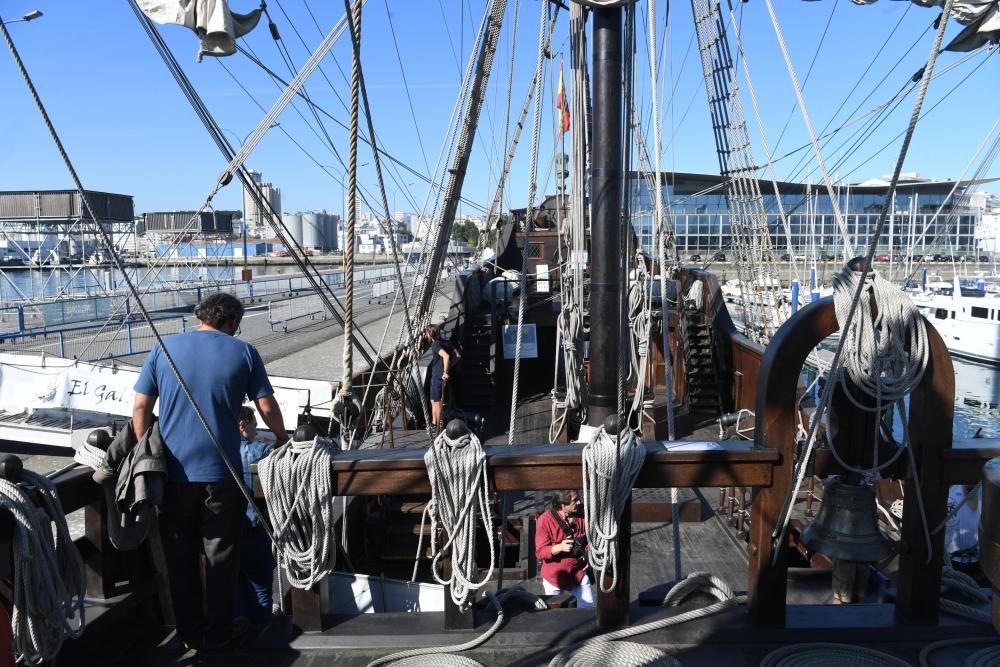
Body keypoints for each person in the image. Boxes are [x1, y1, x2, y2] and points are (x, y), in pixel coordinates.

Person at [133, 292, 287, 652]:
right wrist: (281, 438)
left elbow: (140, 408)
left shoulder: (163, 349)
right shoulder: (244, 353)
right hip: (223, 476)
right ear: (232, 321)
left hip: (173, 475)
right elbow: (267, 406)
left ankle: (190, 634)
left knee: (180, 558)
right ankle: (218, 633)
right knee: (221, 558)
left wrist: (146, 452)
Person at [236, 406, 275, 626]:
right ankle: (263, 634)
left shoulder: (218, 450)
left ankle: (243, 636)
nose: (256, 427)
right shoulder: (258, 451)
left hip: (227, 533)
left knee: (238, 587)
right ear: (243, 425)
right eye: (254, 423)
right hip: (253, 530)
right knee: (261, 588)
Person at [534, 490, 594, 608]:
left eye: (578, 499)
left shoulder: (582, 516)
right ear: (563, 505)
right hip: (554, 576)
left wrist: (589, 557)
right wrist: (559, 547)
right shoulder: (545, 520)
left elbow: (590, 541)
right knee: (553, 613)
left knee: (589, 609)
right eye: (574, 501)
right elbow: (540, 552)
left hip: (577, 573)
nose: (579, 502)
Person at [425, 324, 457, 433]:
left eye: (427, 333)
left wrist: (445, 371)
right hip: (437, 376)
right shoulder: (446, 342)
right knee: (433, 400)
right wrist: (448, 367)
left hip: (438, 376)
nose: (426, 335)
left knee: (437, 402)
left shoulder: (435, 345)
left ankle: (438, 427)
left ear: (430, 334)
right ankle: (434, 424)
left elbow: (446, 356)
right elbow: (457, 356)